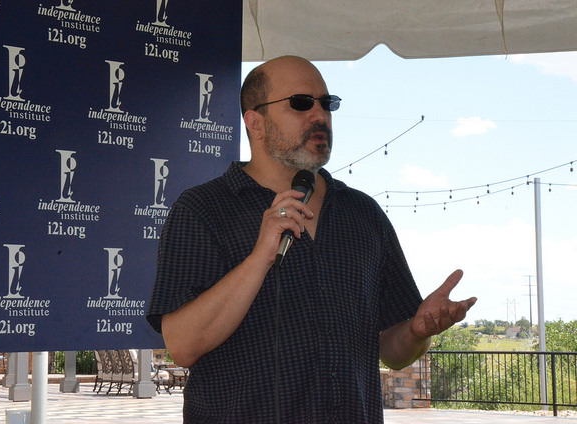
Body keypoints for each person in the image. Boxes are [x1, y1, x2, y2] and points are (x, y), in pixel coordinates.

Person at [147, 55, 477, 423]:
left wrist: (417, 332)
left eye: (327, 103)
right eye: (301, 103)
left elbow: (393, 352)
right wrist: (259, 258)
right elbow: (182, 346)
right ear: (255, 122)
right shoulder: (203, 209)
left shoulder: (364, 215)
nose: (319, 115)